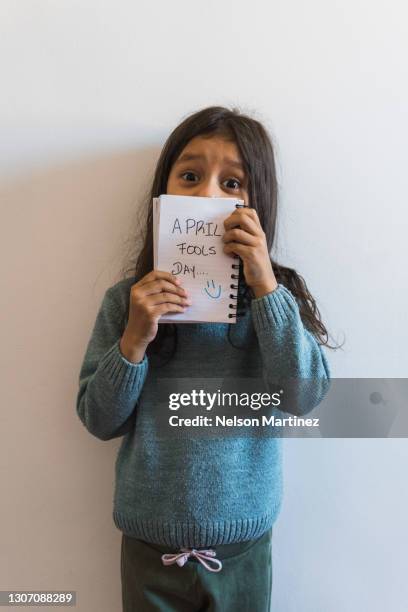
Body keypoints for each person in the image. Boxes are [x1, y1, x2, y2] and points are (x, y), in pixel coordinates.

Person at [76, 105, 338, 611]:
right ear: (164, 192)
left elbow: (306, 397)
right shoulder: (126, 301)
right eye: (190, 176)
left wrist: (265, 286)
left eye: (233, 183)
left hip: (243, 549)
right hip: (149, 549)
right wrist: (133, 340)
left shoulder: (276, 300)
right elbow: (98, 419)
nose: (207, 196)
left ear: (258, 201)